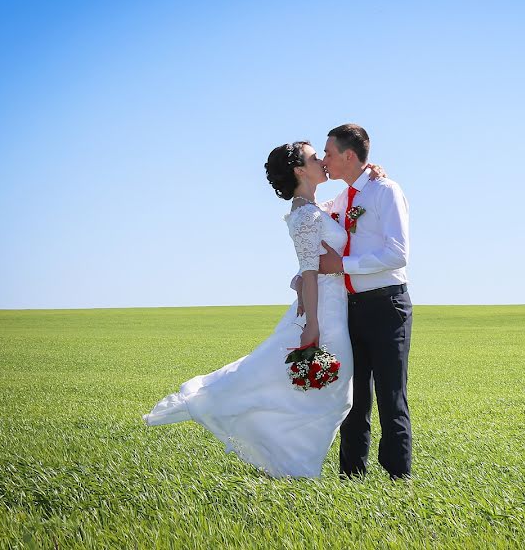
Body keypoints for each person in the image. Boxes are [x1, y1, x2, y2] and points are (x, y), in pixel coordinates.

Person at [141, 141, 355, 478]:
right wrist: (312, 324)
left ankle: (291, 464)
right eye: (316, 157)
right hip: (324, 310)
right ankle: (291, 464)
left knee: (328, 392)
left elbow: (313, 264)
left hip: (333, 304)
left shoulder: (314, 208)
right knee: (332, 393)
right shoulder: (305, 214)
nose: (323, 161)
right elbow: (312, 271)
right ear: (300, 169)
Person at [317, 124, 413, 480]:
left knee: (391, 396)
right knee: (354, 399)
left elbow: (398, 253)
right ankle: (351, 476)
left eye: (328, 153)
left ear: (348, 156)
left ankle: (397, 479)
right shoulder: (341, 200)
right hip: (350, 308)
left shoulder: (385, 191)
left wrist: (342, 265)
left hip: (388, 307)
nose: (325, 160)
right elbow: (309, 210)